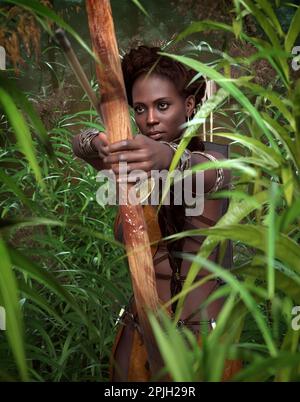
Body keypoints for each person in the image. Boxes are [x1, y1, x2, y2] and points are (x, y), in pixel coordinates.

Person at [72, 45, 239, 381]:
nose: (150, 119)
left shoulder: (213, 158)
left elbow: (212, 172)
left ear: (188, 105)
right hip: (139, 337)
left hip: (202, 339)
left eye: (163, 106)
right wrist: (100, 142)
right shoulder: (131, 160)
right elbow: (80, 142)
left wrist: (165, 157)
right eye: (140, 109)